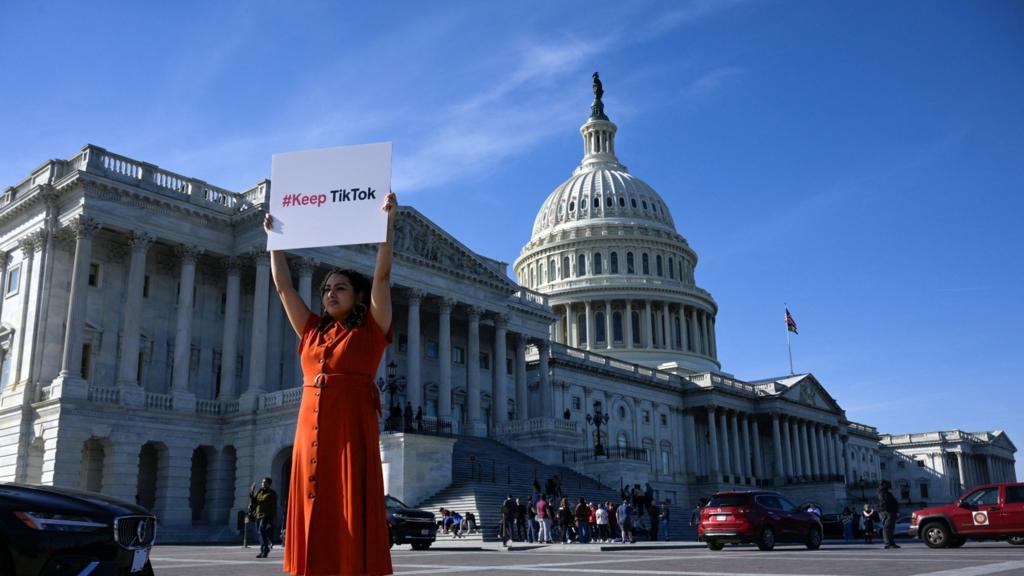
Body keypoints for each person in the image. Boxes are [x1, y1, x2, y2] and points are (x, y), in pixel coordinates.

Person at [267, 191, 397, 576]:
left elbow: (383, 276)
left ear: (357, 296)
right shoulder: (311, 330)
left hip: (349, 429)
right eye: (326, 289)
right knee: (310, 497)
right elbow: (284, 289)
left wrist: (387, 225)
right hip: (310, 427)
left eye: (340, 288)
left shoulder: (372, 331)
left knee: (347, 499)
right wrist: (275, 242)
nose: (330, 294)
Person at [250, 477, 278, 558]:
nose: (263, 483)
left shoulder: (272, 493)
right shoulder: (259, 491)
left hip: (266, 515)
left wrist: (274, 518)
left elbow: (274, 506)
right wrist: (252, 492)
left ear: (269, 483)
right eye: (262, 482)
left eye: (265, 482)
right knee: (260, 533)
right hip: (258, 514)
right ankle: (263, 550)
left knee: (261, 530)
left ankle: (265, 549)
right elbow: (254, 502)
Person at [877, 480, 901, 549]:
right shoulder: (882, 492)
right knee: (887, 527)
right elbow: (884, 502)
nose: (888, 485)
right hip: (887, 511)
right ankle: (888, 543)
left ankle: (891, 542)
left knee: (890, 528)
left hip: (890, 511)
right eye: (886, 484)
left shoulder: (886, 493)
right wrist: (889, 509)